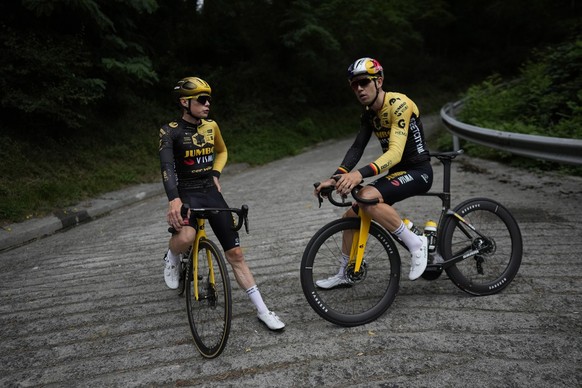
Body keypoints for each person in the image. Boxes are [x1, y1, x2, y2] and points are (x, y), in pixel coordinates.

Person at [158, 76, 285, 331]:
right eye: (202, 100)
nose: (207, 105)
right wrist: (174, 199)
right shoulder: (169, 131)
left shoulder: (211, 126)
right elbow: (167, 167)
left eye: (209, 100)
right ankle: (172, 255)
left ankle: (262, 310)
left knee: (236, 254)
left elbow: (222, 151)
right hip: (185, 192)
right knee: (186, 238)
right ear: (184, 102)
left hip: (209, 191)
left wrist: (215, 173)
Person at [314, 57, 433, 286]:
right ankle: (345, 272)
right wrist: (334, 177)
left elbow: (395, 154)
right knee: (350, 215)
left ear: (379, 81)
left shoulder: (400, 103)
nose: (359, 89)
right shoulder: (369, 113)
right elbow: (357, 147)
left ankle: (417, 243)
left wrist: (358, 175)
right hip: (399, 174)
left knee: (367, 198)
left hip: (419, 171)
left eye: (364, 82)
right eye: (354, 85)